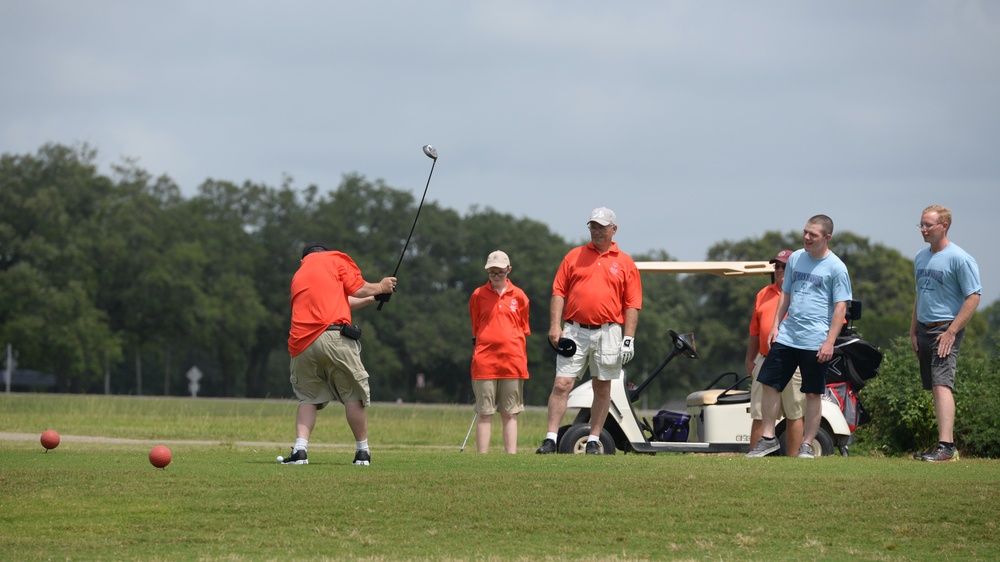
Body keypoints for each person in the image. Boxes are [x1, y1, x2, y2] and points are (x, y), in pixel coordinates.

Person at [279, 242, 396, 466]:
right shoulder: (335, 259)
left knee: (308, 398)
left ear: (304, 258)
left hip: (302, 344)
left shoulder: (300, 273)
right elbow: (358, 288)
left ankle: (300, 451)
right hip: (335, 338)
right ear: (325, 252)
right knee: (353, 395)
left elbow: (343, 300)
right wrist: (380, 286)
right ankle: (362, 452)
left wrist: (374, 297)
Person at [536, 207, 642, 455]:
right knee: (562, 383)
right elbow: (558, 292)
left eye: (602, 227)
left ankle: (594, 439)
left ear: (613, 230)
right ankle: (550, 439)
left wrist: (629, 338)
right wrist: (554, 325)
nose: (596, 231)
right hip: (574, 330)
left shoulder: (625, 262)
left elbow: (632, 304)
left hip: (609, 331)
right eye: (593, 226)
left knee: (602, 386)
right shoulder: (574, 256)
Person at [747, 215, 852, 459]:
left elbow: (840, 308)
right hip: (788, 336)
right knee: (769, 382)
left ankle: (806, 444)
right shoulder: (795, 258)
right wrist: (775, 326)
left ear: (826, 238)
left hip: (816, 341)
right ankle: (769, 438)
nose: (806, 237)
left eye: (812, 235)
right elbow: (786, 294)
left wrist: (829, 342)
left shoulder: (836, 267)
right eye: (805, 232)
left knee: (813, 393)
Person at [910, 205, 981, 463]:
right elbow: (920, 294)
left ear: (944, 226)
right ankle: (943, 443)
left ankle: (946, 446)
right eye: (921, 224)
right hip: (925, 329)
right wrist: (914, 331)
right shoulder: (920, 257)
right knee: (933, 386)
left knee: (942, 384)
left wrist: (951, 332)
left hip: (945, 329)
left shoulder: (959, 258)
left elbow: (973, 297)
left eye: (928, 225)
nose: (923, 229)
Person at [744, 249, 806, 456]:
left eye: (784, 266)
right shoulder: (763, 293)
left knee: (794, 412)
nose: (779, 270)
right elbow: (755, 331)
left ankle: (794, 460)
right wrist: (750, 359)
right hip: (765, 357)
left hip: (794, 358)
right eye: (777, 266)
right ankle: (756, 456)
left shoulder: (803, 293)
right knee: (760, 413)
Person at [468, 251, 531, 454]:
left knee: (510, 412)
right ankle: (482, 458)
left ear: (508, 270)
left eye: (500, 272)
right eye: (492, 272)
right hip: (485, 360)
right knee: (485, 412)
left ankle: (510, 456)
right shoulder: (478, 295)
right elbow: (476, 325)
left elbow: (523, 326)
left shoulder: (520, 296)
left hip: (513, 361)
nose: (496, 276)